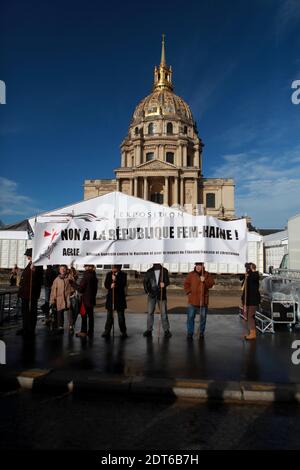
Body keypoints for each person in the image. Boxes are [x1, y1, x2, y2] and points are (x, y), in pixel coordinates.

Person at [184, 262, 215, 340]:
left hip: (203, 300)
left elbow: (211, 284)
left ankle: (201, 332)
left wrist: (205, 280)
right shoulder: (191, 274)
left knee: (203, 318)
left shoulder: (207, 274)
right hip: (192, 300)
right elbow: (186, 284)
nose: (198, 267)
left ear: (203, 266)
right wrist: (189, 292)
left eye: (200, 265)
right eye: (197, 265)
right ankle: (190, 332)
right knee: (190, 317)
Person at [17, 249, 44, 338]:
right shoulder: (31, 264)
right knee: (25, 312)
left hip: (31, 294)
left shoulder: (37, 265)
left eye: (28, 255)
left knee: (31, 312)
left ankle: (30, 329)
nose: (27, 257)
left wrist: (34, 272)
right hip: (25, 293)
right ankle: (25, 328)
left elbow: (38, 279)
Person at [143, 263, 172, 338]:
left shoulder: (164, 271)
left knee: (163, 313)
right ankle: (149, 330)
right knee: (150, 313)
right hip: (152, 295)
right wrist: (148, 291)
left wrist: (164, 284)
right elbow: (145, 282)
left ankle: (166, 330)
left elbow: (168, 281)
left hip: (161, 294)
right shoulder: (149, 271)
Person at [102, 265, 128, 339]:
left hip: (119, 299)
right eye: (112, 267)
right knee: (109, 316)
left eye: (115, 267)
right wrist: (110, 285)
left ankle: (123, 331)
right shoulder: (109, 274)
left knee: (121, 317)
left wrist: (116, 280)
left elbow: (123, 284)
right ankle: (107, 331)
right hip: (111, 298)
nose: (113, 268)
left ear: (119, 268)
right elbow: (106, 284)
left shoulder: (123, 275)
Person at [50, 265, 76, 334]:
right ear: (59, 270)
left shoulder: (69, 277)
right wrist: (53, 300)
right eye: (61, 269)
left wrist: (72, 269)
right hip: (59, 299)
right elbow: (53, 290)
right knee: (59, 313)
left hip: (68, 298)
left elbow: (74, 282)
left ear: (66, 270)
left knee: (70, 313)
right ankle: (60, 326)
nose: (63, 270)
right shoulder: (56, 279)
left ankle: (71, 326)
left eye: (64, 269)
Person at [75, 264, 98, 338]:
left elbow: (80, 289)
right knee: (91, 316)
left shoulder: (86, 276)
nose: (84, 267)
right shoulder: (94, 276)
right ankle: (91, 330)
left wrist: (73, 284)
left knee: (84, 315)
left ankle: (83, 331)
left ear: (88, 267)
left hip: (85, 299)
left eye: (85, 266)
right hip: (91, 298)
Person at [240, 263, 260, 340]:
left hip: (253, 300)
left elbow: (254, 277)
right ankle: (248, 332)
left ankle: (253, 333)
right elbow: (240, 278)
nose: (247, 269)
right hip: (247, 300)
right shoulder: (248, 275)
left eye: (249, 267)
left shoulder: (255, 275)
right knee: (246, 317)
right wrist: (246, 273)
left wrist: (251, 271)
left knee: (250, 317)